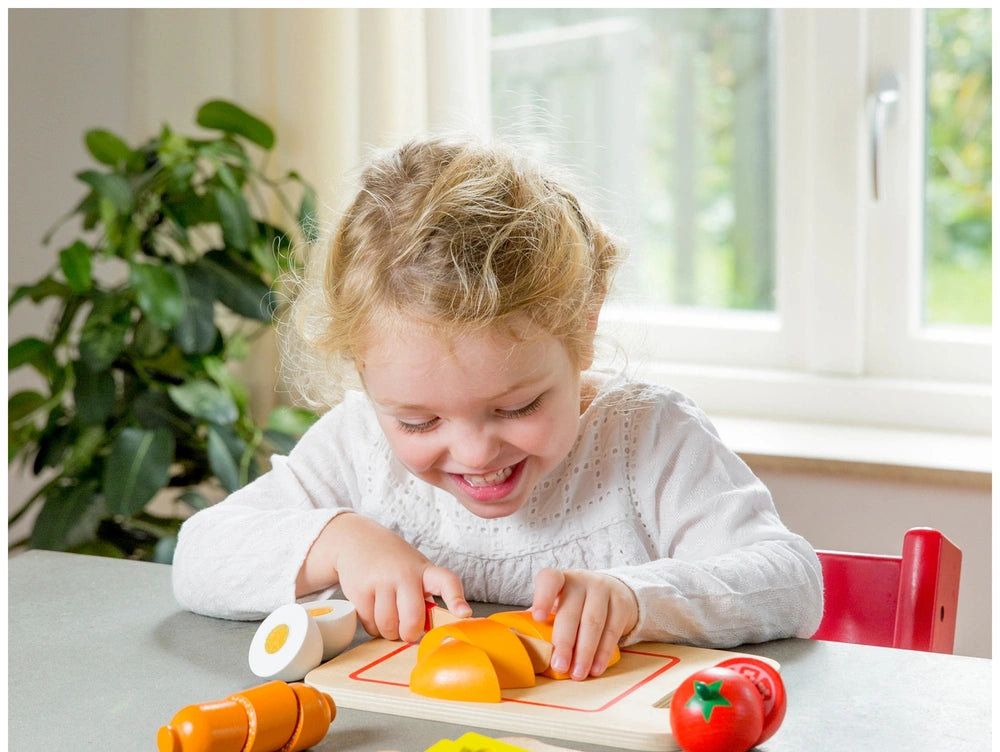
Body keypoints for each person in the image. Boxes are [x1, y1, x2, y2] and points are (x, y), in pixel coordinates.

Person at [172, 136, 823, 680]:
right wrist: (339, 541)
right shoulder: (356, 447)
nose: (476, 453)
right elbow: (198, 558)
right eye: (420, 421)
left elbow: (792, 583)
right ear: (365, 377)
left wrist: (634, 598)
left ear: (584, 328)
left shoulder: (646, 439)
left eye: (516, 407)